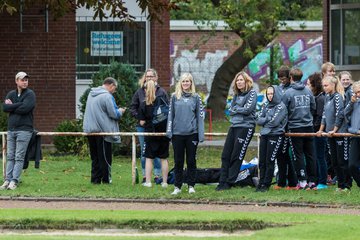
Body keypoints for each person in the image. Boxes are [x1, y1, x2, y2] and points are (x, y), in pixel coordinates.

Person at [216, 71, 257, 191]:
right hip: (234, 126)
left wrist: (237, 109)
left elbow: (248, 109)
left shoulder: (252, 93)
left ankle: (229, 182)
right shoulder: (236, 95)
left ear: (246, 81)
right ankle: (222, 181)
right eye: (237, 80)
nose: (239, 82)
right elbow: (230, 110)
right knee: (225, 155)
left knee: (236, 155)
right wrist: (239, 109)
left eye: (241, 80)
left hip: (246, 127)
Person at [166, 73, 204, 195]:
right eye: (183, 81)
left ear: (191, 83)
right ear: (180, 83)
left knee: (191, 160)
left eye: (188, 81)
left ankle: (191, 185)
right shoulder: (174, 97)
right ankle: (177, 186)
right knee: (178, 161)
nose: (186, 83)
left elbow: (199, 116)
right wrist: (169, 131)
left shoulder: (196, 97)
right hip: (177, 134)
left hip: (192, 134)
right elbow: (170, 115)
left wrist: (200, 134)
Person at [83, 77, 126, 184]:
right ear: (111, 85)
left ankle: (95, 179)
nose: (114, 91)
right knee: (105, 158)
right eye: (114, 89)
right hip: (102, 132)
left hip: (90, 130)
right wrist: (120, 111)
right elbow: (114, 114)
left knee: (95, 157)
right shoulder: (107, 96)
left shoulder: (91, 93)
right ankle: (106, 180)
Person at [282, 67, 317, 190]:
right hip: (308, 126)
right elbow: (313, 107)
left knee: (298, 155)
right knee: (311, 154)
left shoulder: (288, 93)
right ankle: (313, 181)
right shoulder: (308, 91)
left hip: (294, 128)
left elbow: (283, 111)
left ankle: (303, 181)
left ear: (291, 78)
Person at [1, 72, 36, 190]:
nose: (25, 82)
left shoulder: (30, 94)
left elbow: (25, 109)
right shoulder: (11, 93)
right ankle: (7, 180)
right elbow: (5, 108)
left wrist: (13, 106)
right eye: (22, 80)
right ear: (16, 81)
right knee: (10, 155)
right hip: (11, 130)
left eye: (26, 80)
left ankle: (14, 181)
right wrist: (19, 104)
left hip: (24, 130)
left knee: (19, 156)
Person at [317, 76, 350, 191]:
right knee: (334, 161)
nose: (324, 88)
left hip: (340, 133)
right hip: (330, 134)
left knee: (342, 161)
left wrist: (335, 130)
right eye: (323, 85)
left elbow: (340, 114)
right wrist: (321, 130)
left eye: (326, 85)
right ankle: (340, 186)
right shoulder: (327, 97)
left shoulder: (337, 97)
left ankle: (346, 185)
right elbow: (324, 115)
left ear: (332, 85)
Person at [130, 69, 162, 184]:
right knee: (145, 152)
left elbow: (166, 109)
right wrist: (140, 117)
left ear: (156, 78)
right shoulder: (139, 92)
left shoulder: (161, 92)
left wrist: (159, 120)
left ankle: (158, 175)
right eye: (147, 76)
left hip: (157, 127)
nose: (149, 78)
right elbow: (132, 108)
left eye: (151, 76)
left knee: (157, 151)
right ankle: (145, 175)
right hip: (142, 127)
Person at [138, 79, 169, 188]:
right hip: (163, 133)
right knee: (164, 158)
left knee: (149, 158)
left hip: (150, 133)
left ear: (145, 90)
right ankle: (165, 182)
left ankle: (148, 182)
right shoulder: (162, 100)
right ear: (155, 89)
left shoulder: (143, 104)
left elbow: (141, 122)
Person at [256, 85, 287, 192]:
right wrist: (267, 119)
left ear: (276, 93)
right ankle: (261, 183)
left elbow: (275, 122)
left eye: (271, 93)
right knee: (262, 161)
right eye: (268, 94)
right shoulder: (265, 105)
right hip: (264, 135)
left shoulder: (281, 106)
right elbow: (258, 120)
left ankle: (266, 184)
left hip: (276, 135)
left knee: (270, 160)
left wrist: (266, 120)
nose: (270, 96)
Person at [274, 65, 298, 190]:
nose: (282, 81)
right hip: (279, 125)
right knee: (280, 154)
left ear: (289, 77)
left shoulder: (291, 90)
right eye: (280, 79)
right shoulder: (279, 88)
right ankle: (282, 181)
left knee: (285, 154)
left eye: (283, 78)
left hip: (288, 126)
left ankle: (291, 182)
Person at [307, 72, 328, 190]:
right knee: (315, 157)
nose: (307, 86)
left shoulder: (320, 98)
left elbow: (320, 117)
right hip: (314, 131)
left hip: (318, 132)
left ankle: (323, 182)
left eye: (309, 84)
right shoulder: (315, 97)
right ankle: (316, 180)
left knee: (320, 157)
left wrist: (315, 129)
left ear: (314, 85)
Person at [345, 81, 360, 187]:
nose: (358, 94)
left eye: (359, 92)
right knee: (352, 165)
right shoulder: (354, 103)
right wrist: (351, 103)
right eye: (356, 92)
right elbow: (344, 114)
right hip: (355, 136)